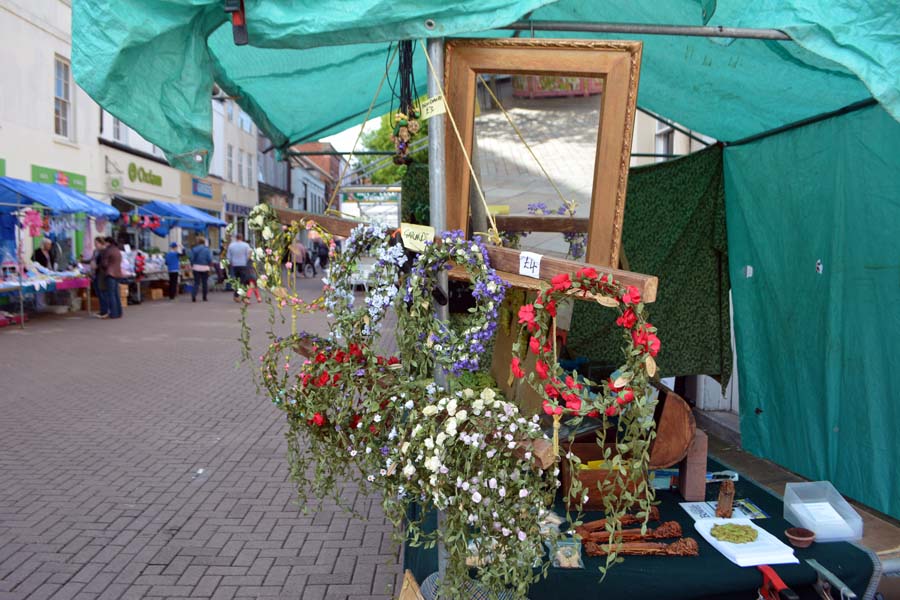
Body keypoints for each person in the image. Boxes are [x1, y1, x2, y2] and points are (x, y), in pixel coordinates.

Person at [101, 237, 123, 319]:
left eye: (105, 242)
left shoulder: (108, 250)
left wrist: (104, 268)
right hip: (118, 273)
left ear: (108, 242)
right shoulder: (117, 250)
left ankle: (113, 313)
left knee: (111, 295)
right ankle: (119, 312)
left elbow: (104, 264)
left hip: (110, 274)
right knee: (116, 294)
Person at [225, 233, 252, 301]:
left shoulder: (231, 245)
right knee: (243, 280)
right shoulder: (246, 245)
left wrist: (230, 262)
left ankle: (236, 295)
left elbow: (228, 256)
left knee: (237, 280)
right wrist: (246, 260)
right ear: (242, 238)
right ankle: (243, 295)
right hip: (243, 264)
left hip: (234, 265)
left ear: (236, 238)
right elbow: (249, 254)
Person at [90, 237, 109, 318]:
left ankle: (105, 311)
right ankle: (102, 310)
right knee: (98, 292)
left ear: (101, 243)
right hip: (95, 274)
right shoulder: (95, 251)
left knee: (102, 293)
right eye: (94, 243)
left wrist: (96, 266)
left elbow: (104, 263)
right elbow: (92, 259)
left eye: (96, 243)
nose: (95, 245)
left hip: (101, 274)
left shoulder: (104, 252)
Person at [189, 236, 212, 302]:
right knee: (204, 283)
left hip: (196, 267)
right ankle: (204, 297)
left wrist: (192, 264)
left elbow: (191, 258)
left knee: (196, 282)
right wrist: (209, 264)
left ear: (198, 242)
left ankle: (194, 295)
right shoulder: (207, 249)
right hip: (205, 267)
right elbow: (209, 259)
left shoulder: (194, 249)